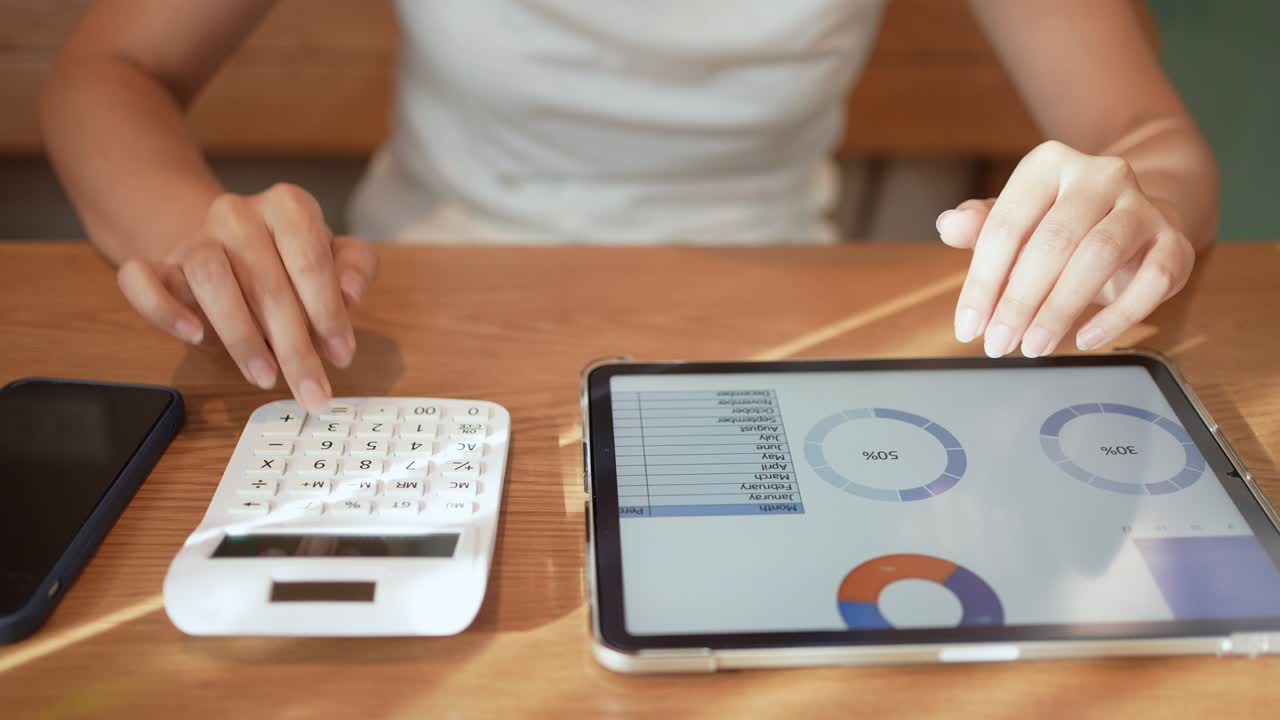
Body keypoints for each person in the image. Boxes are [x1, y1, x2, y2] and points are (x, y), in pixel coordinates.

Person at [41, 0, 1218, 412]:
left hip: (770, 348)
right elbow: (108, 72)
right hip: (403, 331)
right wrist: (192, 229)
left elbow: (1147, 138)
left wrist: (1132, 211)